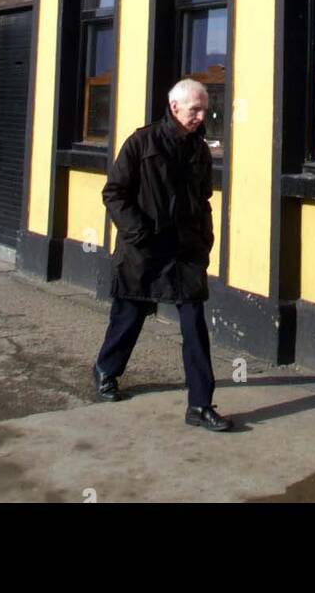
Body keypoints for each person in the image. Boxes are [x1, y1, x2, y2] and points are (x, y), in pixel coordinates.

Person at [93, 78, 233, 432]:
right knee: (129, 316)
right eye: (195, 109)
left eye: (204, 109)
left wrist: (204, 238)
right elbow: (114, 192)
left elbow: (203, 200)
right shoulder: (142, 142)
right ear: (174, 107)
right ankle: (106, 371)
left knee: (194, 327)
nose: (202, 116)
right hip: (144, 250)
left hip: (185, 252)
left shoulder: (200, 150)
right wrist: (138, 232)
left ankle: (200, 405)